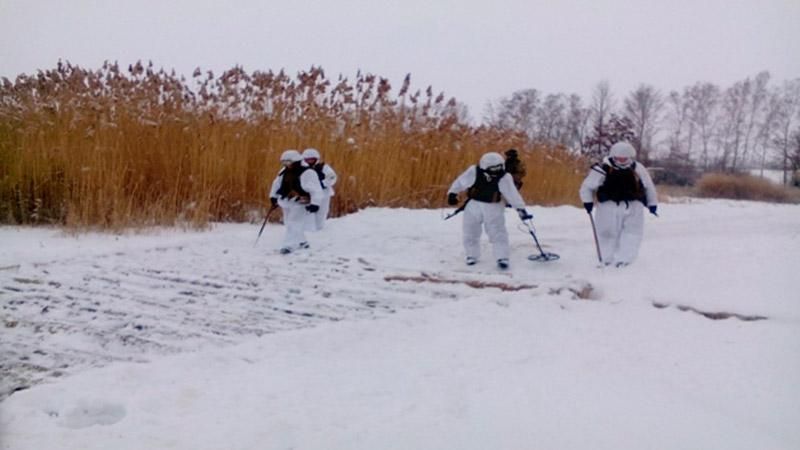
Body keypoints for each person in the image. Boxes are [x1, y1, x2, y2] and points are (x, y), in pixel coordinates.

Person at [447, 151, 532, 269]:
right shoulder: (474, 171)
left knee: (497, 232)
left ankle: (502, 257)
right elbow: (461, 181)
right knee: (470, 231)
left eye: (499, 167)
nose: (496, 170)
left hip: (494, 206)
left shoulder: (504, 177)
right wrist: (452, 193)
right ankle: (471, 255)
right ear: (484, 166)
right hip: (473, 206)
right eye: (493, 168)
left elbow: (512, 194)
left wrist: (520, 209)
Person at [579, 141, 658, 267]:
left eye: (625, 158)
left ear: (630, 157)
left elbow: (649, 187)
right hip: (608, 206)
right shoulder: (602, 169)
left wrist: (652, 203)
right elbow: (587, 187)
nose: (621, 160)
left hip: (633, 206)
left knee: (631, 233)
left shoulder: (638, 168)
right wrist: (587, 201)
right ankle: (606, 258)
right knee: (607, 232)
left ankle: (626, 259)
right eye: (619, 158)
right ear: (613, 156)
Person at [269, 149, 323, 254]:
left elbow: (316, 189)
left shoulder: (308, 172)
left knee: (294, 222)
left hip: (301, 201)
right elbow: (276, 184)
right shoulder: (284, 172)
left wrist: (315, 203)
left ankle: (289, 245)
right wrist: (273, 197)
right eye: (284, 162)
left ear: (296, 161)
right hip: (287, 201)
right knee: (289, 223)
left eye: (288, 162)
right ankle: (302, 242)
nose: (286, 164)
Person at [302, 148, 338, 230]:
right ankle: (309, 230)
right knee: (308, 213)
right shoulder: (302, 169)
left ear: (316, 159)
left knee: (321, 213)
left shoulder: (323, 167)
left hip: (324, 193)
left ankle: (319, 229)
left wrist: (323, 184)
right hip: (309, 194)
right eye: (308, 160)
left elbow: (332, 177)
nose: (310, 161)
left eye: (312, 159)